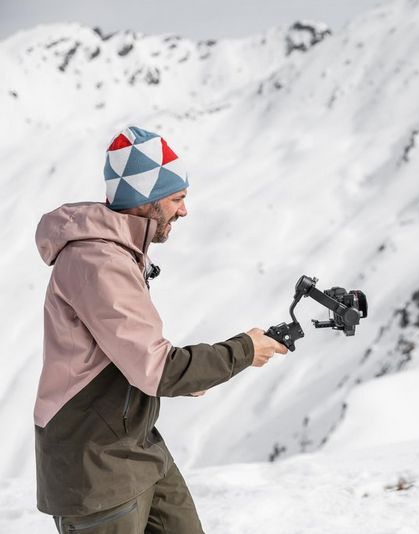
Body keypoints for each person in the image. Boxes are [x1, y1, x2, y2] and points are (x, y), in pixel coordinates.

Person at [34, 126, 288, 533]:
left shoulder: (119, 251)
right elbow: (157, 369)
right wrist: (242, 351)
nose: (184, 210)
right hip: (95, 465)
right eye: (177, 198)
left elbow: (133, 356)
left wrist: (199, 373)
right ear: (145, 202)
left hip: (136, 448)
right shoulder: (98, 263)